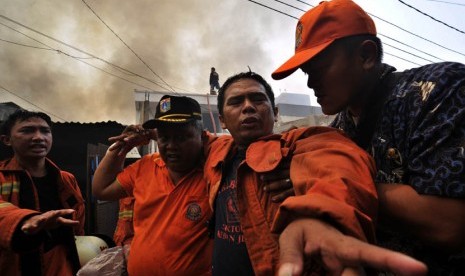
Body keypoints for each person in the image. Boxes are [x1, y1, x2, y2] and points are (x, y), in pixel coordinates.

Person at [271, 0, 465, 274]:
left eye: (319, 68)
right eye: (306, 73)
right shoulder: (336, 130)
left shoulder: (437, 89)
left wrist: (334, 187)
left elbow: (450, 224)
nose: (310, 83)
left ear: (366, 56)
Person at [206, 71, 427, 275]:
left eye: (258, 99)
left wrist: (328, 216)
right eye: (236, 102)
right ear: (223, 120)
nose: (248, 107)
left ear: (274, 113)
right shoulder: (218, 154)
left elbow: (338, 163)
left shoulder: (300, 142)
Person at [92, 95, 214, 275]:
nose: (172, 146)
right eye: (164, 138)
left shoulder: (214, 171)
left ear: (202, 136)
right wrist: (124, 146)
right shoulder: (145, 166)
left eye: (182, 137)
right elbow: (101, 189)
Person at [0, 109, 85, 275]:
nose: (39, 137)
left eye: (45, 131)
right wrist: (25, 220)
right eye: (27, 130)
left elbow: (78, 228)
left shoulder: (67, 180)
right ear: (7, 140)